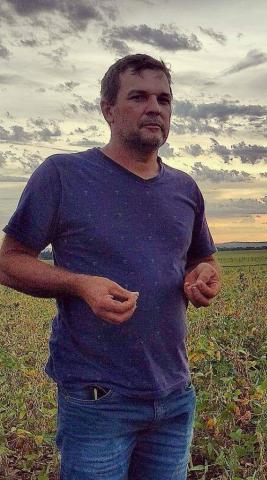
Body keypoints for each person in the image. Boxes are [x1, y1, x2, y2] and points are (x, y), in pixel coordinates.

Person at [0, 54, 221, 479]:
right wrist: (80, 284)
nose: (154, 108)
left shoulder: (185, 188)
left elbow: (202, 258)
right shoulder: (63, 175)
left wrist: (205, 276)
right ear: (108, 110)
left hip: (175, 394)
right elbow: (9, 263)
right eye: (138, 97)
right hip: (98, 399)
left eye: (163, 99)